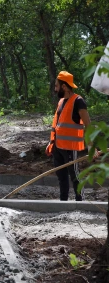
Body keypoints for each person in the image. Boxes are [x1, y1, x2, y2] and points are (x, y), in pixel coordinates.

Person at [45, 71, 98, 201]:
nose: (55, 89)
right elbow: (57, 125)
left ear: (64, 87)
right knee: (61, 176)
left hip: (70, 147)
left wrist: (91, 146)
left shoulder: (78, 101)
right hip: (58, 146)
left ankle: (81, 201)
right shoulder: (61, 102)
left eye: (57, 86)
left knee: (74, 175)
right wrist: (51, 142)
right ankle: (63, 201)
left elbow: (88, 125)